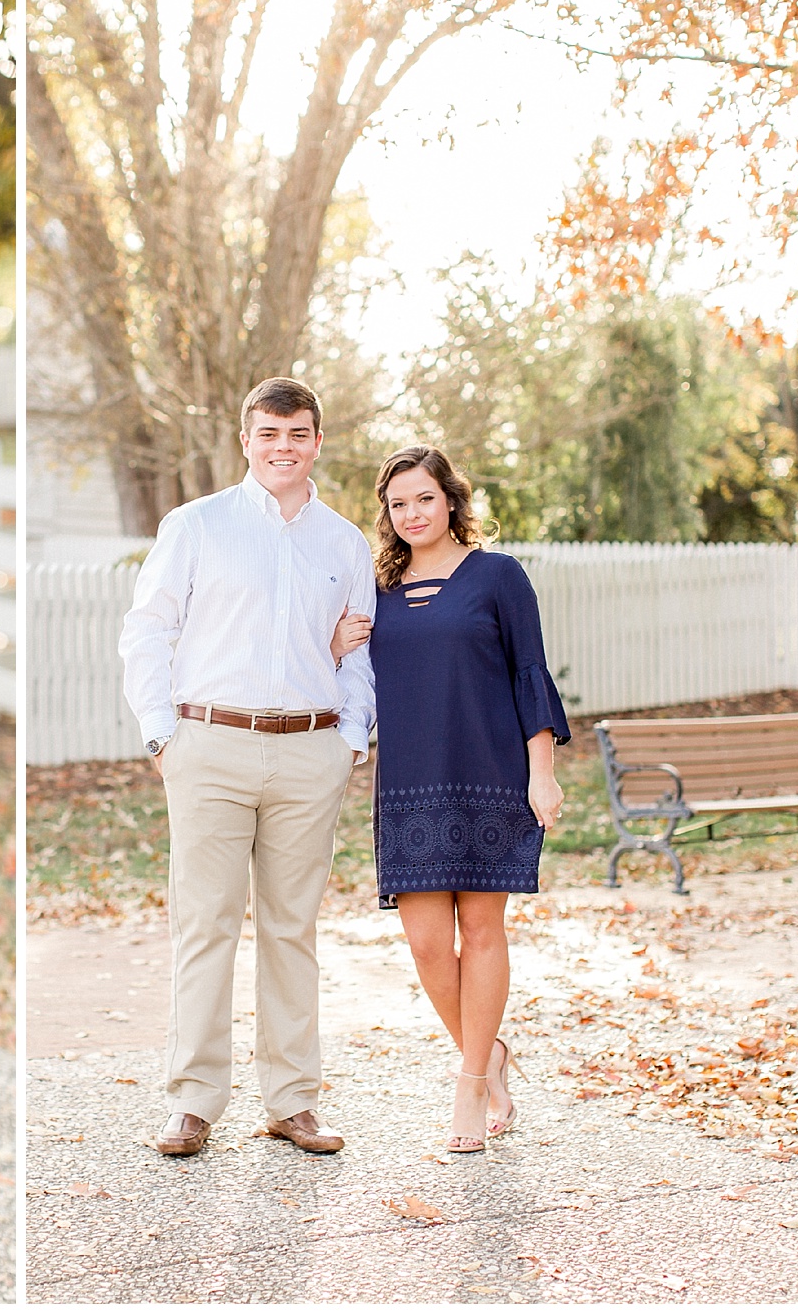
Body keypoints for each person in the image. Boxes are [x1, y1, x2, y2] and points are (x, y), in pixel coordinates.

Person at [118, 377, 376, 1158]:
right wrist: (162, 736)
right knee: (206, 926)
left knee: (292, 930)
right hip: (210, 748)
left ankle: (293, 1101)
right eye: (269, 433)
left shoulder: (344, 543)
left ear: (317, 442)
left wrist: (350, 740)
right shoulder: (197, 526)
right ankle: (193, 1102)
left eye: (297, 434)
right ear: (246, 441)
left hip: (310, 752)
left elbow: (359, 653)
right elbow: (147, 629)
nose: (282, 447)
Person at [334, 444, 569, 1154]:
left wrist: (542, 772)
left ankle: (470, 1086)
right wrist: (334, 643)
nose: (412, 514)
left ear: (451, 500)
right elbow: (348, 678)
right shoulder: (376, 589)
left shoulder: (499, 576)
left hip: (490, 771)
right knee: (429, 944)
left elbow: (530, 673)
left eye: (424, 499)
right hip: (410, 779)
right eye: (398, 504)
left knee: (484, 931)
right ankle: (489, 1053)